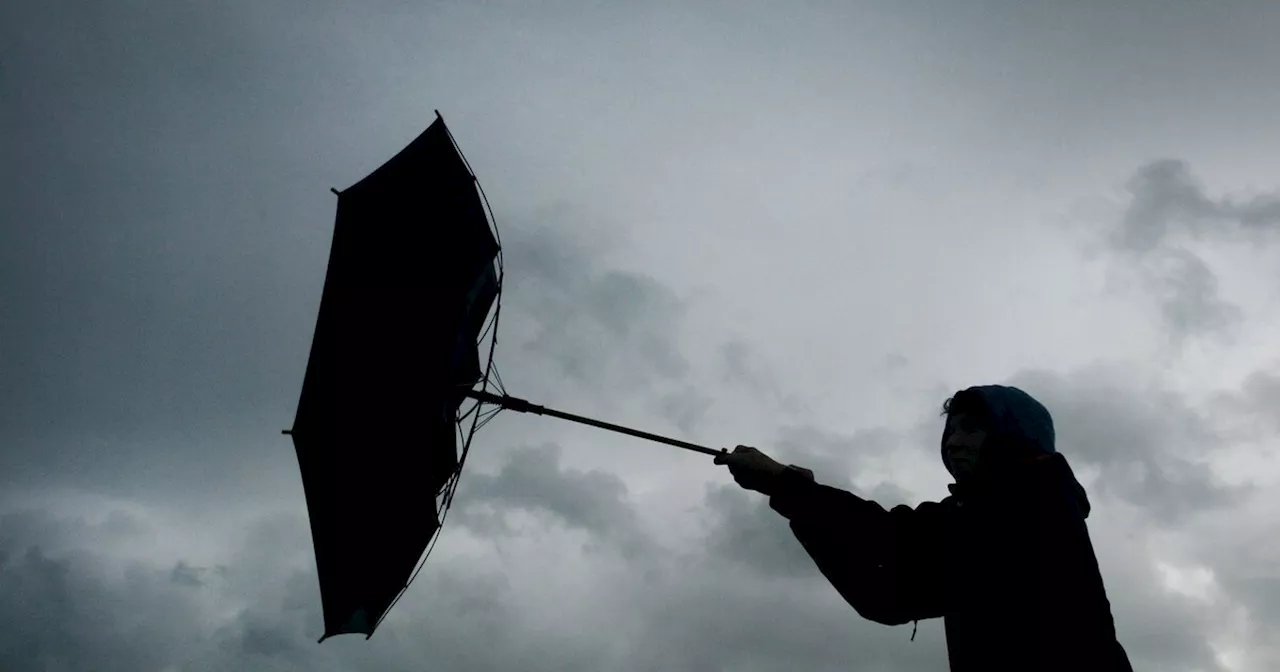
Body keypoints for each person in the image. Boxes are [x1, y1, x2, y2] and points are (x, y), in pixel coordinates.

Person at [715, 385, 1133, 671]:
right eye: (950, 430)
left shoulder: (1034, 498)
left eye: (971, 427)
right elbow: (885, 598)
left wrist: (784, 485)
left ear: (1016, 436)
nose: (952, 442)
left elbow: (898, 538)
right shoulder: (981, 516)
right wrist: (798, 502)